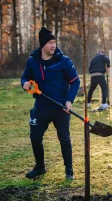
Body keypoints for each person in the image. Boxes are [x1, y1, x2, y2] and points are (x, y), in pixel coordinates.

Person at [21, 27, 80, 180]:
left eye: (54, 42)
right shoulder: (33, 61)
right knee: (35, 137)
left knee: (64, 138)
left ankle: (69, 170)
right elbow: (25, 77)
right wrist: (25, 84)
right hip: (41, 107)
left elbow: (75, 81)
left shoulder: (64, 61)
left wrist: (69, 100)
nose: (53, 45)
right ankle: (40, 167)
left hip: (60, 108)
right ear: (42, 45)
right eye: (49, 43)